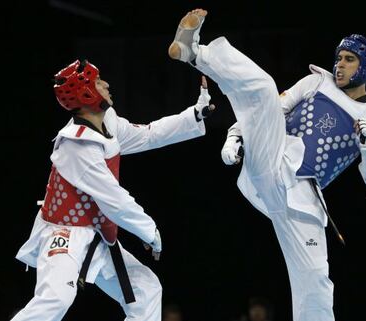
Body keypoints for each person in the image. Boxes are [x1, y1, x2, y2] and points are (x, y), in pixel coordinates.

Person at [168, 9, 366, 321]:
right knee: (263, 87)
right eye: (339, 57)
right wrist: (235, 135)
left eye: (349, 59)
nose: (339, 64)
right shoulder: (316, 82)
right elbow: (269, 110)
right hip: (274, 158)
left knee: (316, 282)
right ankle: (194, 51)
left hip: (302, 199)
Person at [11, 59, 215, 321]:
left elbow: (148, 135)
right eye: (98, 82)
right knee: (55, 299)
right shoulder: (76, 145)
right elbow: (113, 200)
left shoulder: (107, 122)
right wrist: (149, 229)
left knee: (145, 290)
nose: (106, 84)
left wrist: (193, 116)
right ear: (86, 94)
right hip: (65, 233)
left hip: (97, 232)